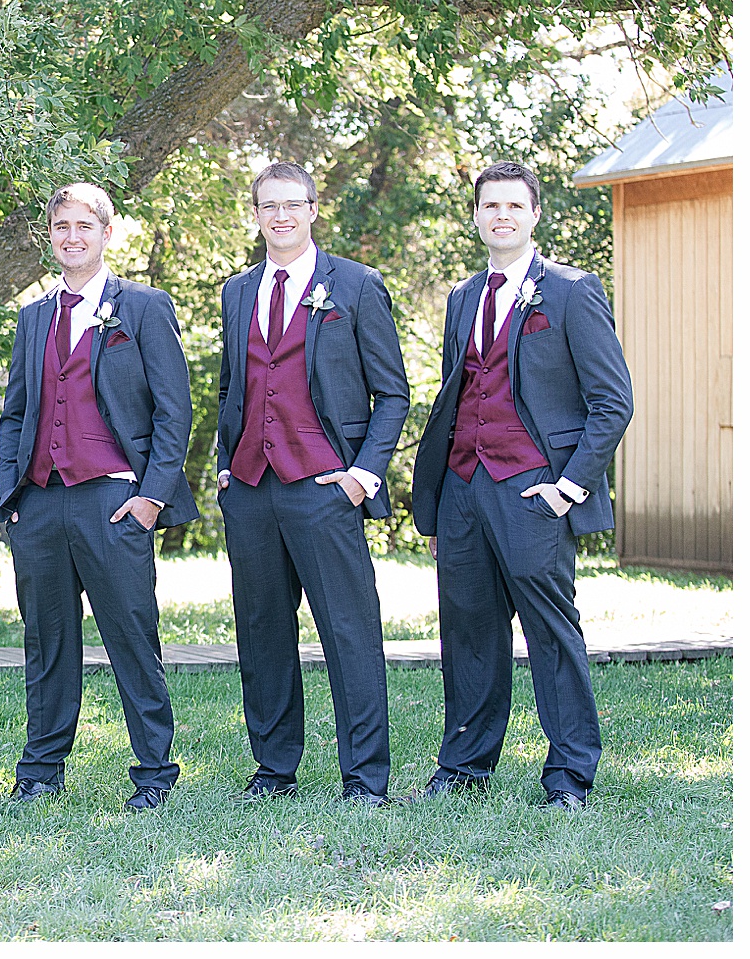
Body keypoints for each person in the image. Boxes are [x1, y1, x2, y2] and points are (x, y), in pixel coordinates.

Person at [411, 160, 633, 806]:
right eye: (490, 205)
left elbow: (612, 401)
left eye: (514, 205)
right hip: (464, 488)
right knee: (468, 631)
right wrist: (443, 497)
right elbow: (461, 395)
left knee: (550, 631)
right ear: (476, 215)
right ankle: (464, 766)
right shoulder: (461, 298)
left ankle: (568, 776)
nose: (501, 215)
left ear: (535, 213)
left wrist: (570, 486)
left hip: (535, 489)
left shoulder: (570, 290)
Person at [0, 183, 198, 811]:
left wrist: (150, 500)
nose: (72, 237)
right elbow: (16, 413)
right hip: (41, 505)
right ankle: (41, 770)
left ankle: (155, 772)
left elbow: (174, 412)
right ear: (49, 235)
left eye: (85, 226)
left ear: (108, 234)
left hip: (113, 501)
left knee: (132, 636)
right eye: (61, 226)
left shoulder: (142, 307)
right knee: (46, 641)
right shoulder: (34, 317)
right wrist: (12, 498)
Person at [216, 162, 410, 804]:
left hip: (325, 485)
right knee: (262, 630)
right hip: (250, 488)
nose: (280, 217)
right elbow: (233, 385)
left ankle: (365, 776)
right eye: (268, 206)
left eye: (292, 205)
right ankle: (273, 769)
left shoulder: (355, 286)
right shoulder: (238, 291)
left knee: (349, 631)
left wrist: (362, 475)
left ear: (312, 210)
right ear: (255, 214)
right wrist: (226, 461)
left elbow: (392, 393)